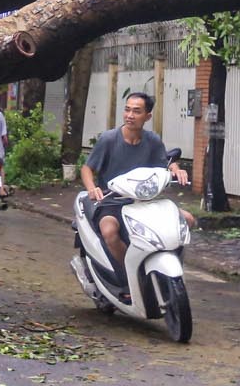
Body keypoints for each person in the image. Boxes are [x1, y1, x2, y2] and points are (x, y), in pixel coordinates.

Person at [81, 92, 193, 288]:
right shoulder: (109, 139)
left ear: (147, 116)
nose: (130, 115)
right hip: (112, 201)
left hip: (146, 201)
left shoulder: (153, 140)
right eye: (127, 110)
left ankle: (169, 272)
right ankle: (128, 278)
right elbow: (87, 168)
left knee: (188, 220)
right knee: (109, 231)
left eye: (136, 111)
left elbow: (165, 164)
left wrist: (177, 169)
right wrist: (92, 189)